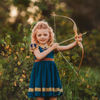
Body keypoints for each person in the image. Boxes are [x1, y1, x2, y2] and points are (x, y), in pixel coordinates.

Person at [27, 21, 82, 100]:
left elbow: (67, 47)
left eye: (45, 35)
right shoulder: (34, 46)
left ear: (49, 36)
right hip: (40, 73)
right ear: (35, 37)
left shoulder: (52, 46)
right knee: (40, 96)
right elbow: (39, 56)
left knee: (53, 96)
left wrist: (76, 42)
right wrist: (52, 48)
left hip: (51, 73)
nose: (42, 37)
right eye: (39, 35)